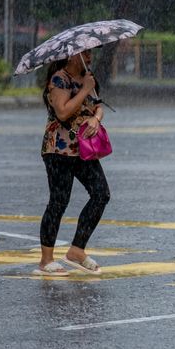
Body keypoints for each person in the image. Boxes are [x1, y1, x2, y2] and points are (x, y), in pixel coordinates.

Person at [33, 49, 109, 276]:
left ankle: (77, 250)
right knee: (59, 201)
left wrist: (96, 118)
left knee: (101, 193)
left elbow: (98, 106)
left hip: (82, 149)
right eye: (84, 53)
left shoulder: (88, 77)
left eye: (90, 53)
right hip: (58, 149)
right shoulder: (59, 79)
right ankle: (46, 260)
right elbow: (63, 112)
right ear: (71, 56)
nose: (89, 57)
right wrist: (85, 88)